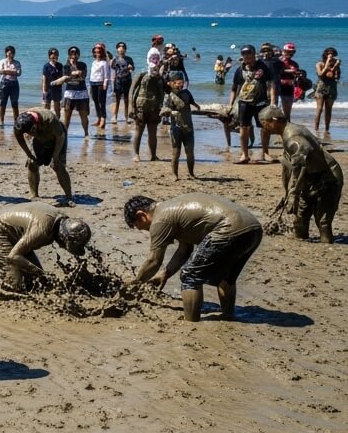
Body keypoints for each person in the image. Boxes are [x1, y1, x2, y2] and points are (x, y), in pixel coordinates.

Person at [126, 193, 262, 322]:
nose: (145, 230)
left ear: (141, 215)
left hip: (228, 228)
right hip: (253, 229)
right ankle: (228, 316)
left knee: (189, 275)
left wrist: (135, 285)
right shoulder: (174, 208)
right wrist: (165, 274)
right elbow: (185, 250)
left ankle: (191, 324)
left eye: (142, 227)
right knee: (226, 276)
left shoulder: (159, 219)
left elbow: (153, 261)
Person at [259, 106, 342, 243]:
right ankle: (301, 239)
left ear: (274, 120)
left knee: (323, 221)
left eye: (264, 123)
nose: (263, 127)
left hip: (327, 176)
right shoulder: (285, 135)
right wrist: (287, 192)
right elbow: (287, 167)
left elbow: (300, 168)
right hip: (309, 176)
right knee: (300, 218)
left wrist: (294, 193)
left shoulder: (293, 137)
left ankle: (327, 246)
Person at [0, 203, 91, 291]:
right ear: (63, 237)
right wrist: (42, 274)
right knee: (15, 283)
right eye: (67, 246)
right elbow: (13, 256)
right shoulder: (42, 231)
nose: (63, 248)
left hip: (17, 234)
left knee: (36, 282)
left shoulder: (64, 221)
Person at [13, 109, 73, 206]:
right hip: (38, 139)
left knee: (58, 166)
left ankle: (69, 197)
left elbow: (60, 137)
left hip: (57, 137)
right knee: (32, 163)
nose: (31, 133)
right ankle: (34, 196)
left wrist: (55, 156)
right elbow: (19, 138)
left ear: (35, 123)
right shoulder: (20, 124)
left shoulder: (50, 119)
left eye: (32, 130)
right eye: (28, 132)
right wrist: (28, 154)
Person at [229, 45, 273, 164]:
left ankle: (265, 153)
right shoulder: (239, 70)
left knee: (265, 128)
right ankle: (244, 154)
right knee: (244, 128)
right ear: (242, 56)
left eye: (249, 54)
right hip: (244, 102)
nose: (247, 57)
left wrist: (273, 102)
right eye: (244, 54)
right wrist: (230, 104)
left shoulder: (263, 67)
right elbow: (234, 88)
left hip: (261, 102)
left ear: (254, 55)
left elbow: (271, 84)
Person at [161, 73, 200, 180]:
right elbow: (164, 110)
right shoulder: (168, 96)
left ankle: (191, 173)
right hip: (176, 129)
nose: (179, 85)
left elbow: (193, 103)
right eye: (176, 83)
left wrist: (197, 106)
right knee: (176, 152)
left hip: (189, 128)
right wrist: (171, 112)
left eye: (181, 83)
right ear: (170, 84)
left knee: (190, 152)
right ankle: (174, 175)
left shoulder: (187, 93)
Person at [129, 64, 165, 162]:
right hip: (141, 108)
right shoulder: (141, 74)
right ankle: (136, 154)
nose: (155, 66)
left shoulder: (160, 78)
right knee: (138, 130)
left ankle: (153, 155)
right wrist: (131, 107)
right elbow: (132, 90)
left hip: (154, 108)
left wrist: (162, 107)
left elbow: (164, 92)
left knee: (153, 132)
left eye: (157, 62)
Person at [58, 46, 90, 137]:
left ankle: (86, 134)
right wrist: (74, 73)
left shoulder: (83, 65)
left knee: (83, 115)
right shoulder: (66, 66)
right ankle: (65, 134)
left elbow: (82, 77)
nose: (74, 55)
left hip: (82, 93)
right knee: (67, 116)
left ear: (79, 55)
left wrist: (73, 74)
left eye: (76, 53)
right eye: (72, 53)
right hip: (70, 93)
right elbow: (65, 78)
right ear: (69, 55)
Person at [314, 47, 339, 134]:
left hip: (331, 88)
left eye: (332, 53)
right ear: (325, 54)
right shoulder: (319, 64)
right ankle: (316, 128)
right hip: (321, 87)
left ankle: (326, 129)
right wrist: (327, 63)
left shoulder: (336, 64)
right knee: (319, 109)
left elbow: (335, 76)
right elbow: (320, 74)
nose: (330, 55)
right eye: (328, 53)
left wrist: (335, 66)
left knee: (329, 109)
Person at [275, 44, 303, 122]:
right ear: (283, 51)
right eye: (287, 52)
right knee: (279, 111)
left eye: (292, 53)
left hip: (290, 88)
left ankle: (287, 127)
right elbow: (277, 72)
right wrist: (289, 71)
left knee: (287, 112)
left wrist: (298, 75)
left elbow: (295, 75)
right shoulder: (278, 61)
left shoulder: (294, 63)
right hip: (279, 88)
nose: (290, 54)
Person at [0, 45, 21, 127]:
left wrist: (6, 71)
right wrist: (11, 71)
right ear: (6, 53)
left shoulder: (17, 62)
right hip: (4, 83)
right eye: (9, 53)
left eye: (12, 53)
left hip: (14, 84)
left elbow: (19, 73)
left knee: (15, 103)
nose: (10, 55)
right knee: (3, 103)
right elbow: (0, 71)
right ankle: (1, 121)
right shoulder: (2, 61)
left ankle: (16, 122)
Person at [110, 41, 136, 124]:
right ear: (117, 50)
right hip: (118, 81)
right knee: (116, 100)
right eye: (120, 48)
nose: (121, 50)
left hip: (127, 81)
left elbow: (132, 69)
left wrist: (131, 67)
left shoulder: (129, 59)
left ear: (125, 50)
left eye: (123, 48)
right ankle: (114, 116)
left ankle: (127, 117)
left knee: (126, 100)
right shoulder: (115, 59)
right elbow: (112, 69)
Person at [88, 43, 112, 130]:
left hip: (101, 84)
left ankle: (103, 119)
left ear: (101, 53)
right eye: (95, 52)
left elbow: (107, 75)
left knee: (102, 102)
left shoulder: (104, 63)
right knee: (95, 101)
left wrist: (105, 83)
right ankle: (98, 118)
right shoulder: (94, 62)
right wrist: (90, 83)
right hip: (93, 83)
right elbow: (92, 73)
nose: (97, 53)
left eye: (98, 52)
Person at [40, 47, 62, 114]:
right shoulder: (46, 66)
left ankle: (57, 122)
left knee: (57, 108)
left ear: (58, 55)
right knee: (47, 107)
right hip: (48, 89)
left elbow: (62, 77)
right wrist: (44, 90)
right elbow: (44, 78)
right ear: (49, 56)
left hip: (57, 89)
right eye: (52, 54)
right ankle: (47, 122)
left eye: (55, 54)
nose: (54, 55)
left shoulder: (60, 65)